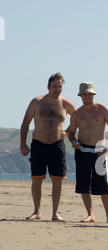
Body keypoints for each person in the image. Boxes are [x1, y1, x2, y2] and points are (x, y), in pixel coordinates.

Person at [20, 73, 76, 221]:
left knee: (57, 180)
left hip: (57, 145)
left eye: (60, 86)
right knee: (37, 179)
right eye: (54, 86)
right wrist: (22, 143)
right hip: (38, 144)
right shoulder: (37, 102)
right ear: (48, 86)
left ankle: (55, 213)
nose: (57, 89)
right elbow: (25, 123)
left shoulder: (66, 104)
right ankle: (36, 211)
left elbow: (78, 118)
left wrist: (69, 131)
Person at [68, 82, 108, 223]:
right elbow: (71, 133)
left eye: (89, 93)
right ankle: (90, 214)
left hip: (99, 151)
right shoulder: (76, 114)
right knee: (84, 184)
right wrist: (73, 141)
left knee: (103, 184)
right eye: (84, 94)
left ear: (93, 94)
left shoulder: (103, 110)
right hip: (82, 151)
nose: (87, 96)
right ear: (80, 96)